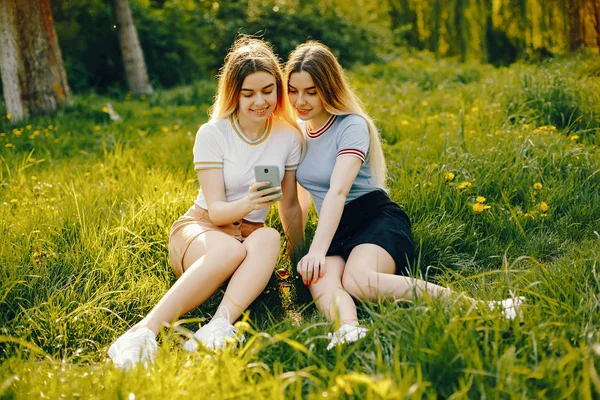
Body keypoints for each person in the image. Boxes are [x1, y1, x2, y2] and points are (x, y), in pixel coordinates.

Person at [285, 41, 523, 350]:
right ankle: (349, 331)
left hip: (373, 217)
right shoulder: (297, 134)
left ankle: (487, 308)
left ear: (329, 87)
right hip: (334, 227)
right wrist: (299, 253)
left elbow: (339, 190)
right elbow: (298, 201)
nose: (300, 101)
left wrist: (317, 251)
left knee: (358, 281)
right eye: (293, 90)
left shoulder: (351, 125)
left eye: (311, 91)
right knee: (319, 280)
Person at [108, 36, 304, 369]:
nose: (260, 101)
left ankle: (218, 326)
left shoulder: (288, 136)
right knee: (231, 250)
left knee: (268, 236)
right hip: (201, 230)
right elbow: (216, 210)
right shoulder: (213, 134)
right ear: (234, 94)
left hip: (249, 237)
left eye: (268, 90)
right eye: (249, 93)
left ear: (279, 90)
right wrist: (249, 201)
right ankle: (141, 333)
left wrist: (299, 258)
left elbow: (289, 205)